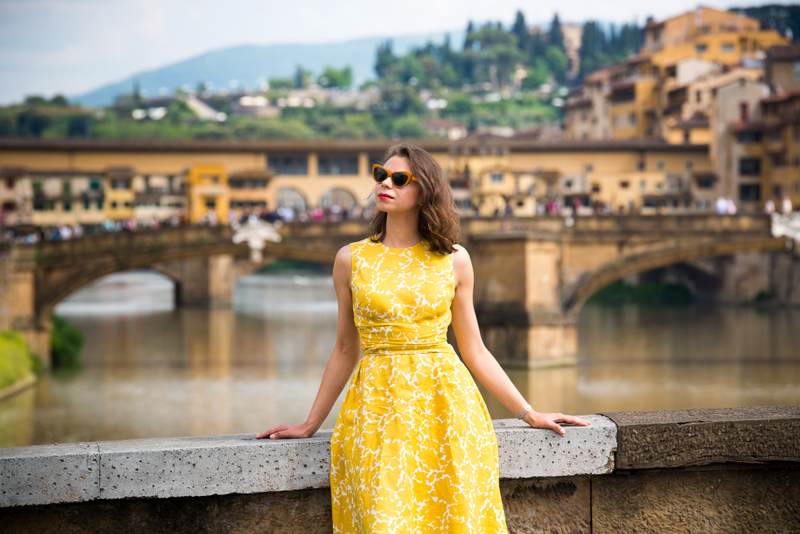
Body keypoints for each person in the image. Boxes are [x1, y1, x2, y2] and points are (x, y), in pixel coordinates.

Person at [256, 143, 591, 532]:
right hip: (376, 412)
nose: (386, 184)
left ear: (425, 190)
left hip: (447, 410)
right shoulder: (351, 259)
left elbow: (475, 350)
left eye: (400, 179)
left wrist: (529, 412)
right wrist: (311, 422)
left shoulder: (454, 259)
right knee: (383, 519)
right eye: (381, 174)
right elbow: (346, 349)